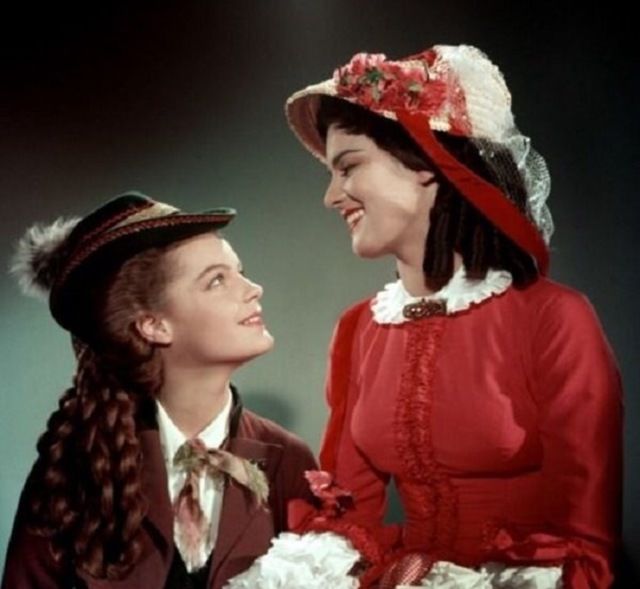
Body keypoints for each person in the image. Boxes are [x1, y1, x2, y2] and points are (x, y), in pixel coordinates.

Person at [283, 45, 623, 588]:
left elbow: (584, 547)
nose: (331, 197)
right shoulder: (359, 328)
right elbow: (346, 517)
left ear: (425, 162)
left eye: (348, 166)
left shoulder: (554, 318)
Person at [2, 192, 317, 589]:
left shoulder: (288, 459)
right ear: (153, 325)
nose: (254, 289)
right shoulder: (76, 466)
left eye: (240, 271)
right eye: (217, 280)